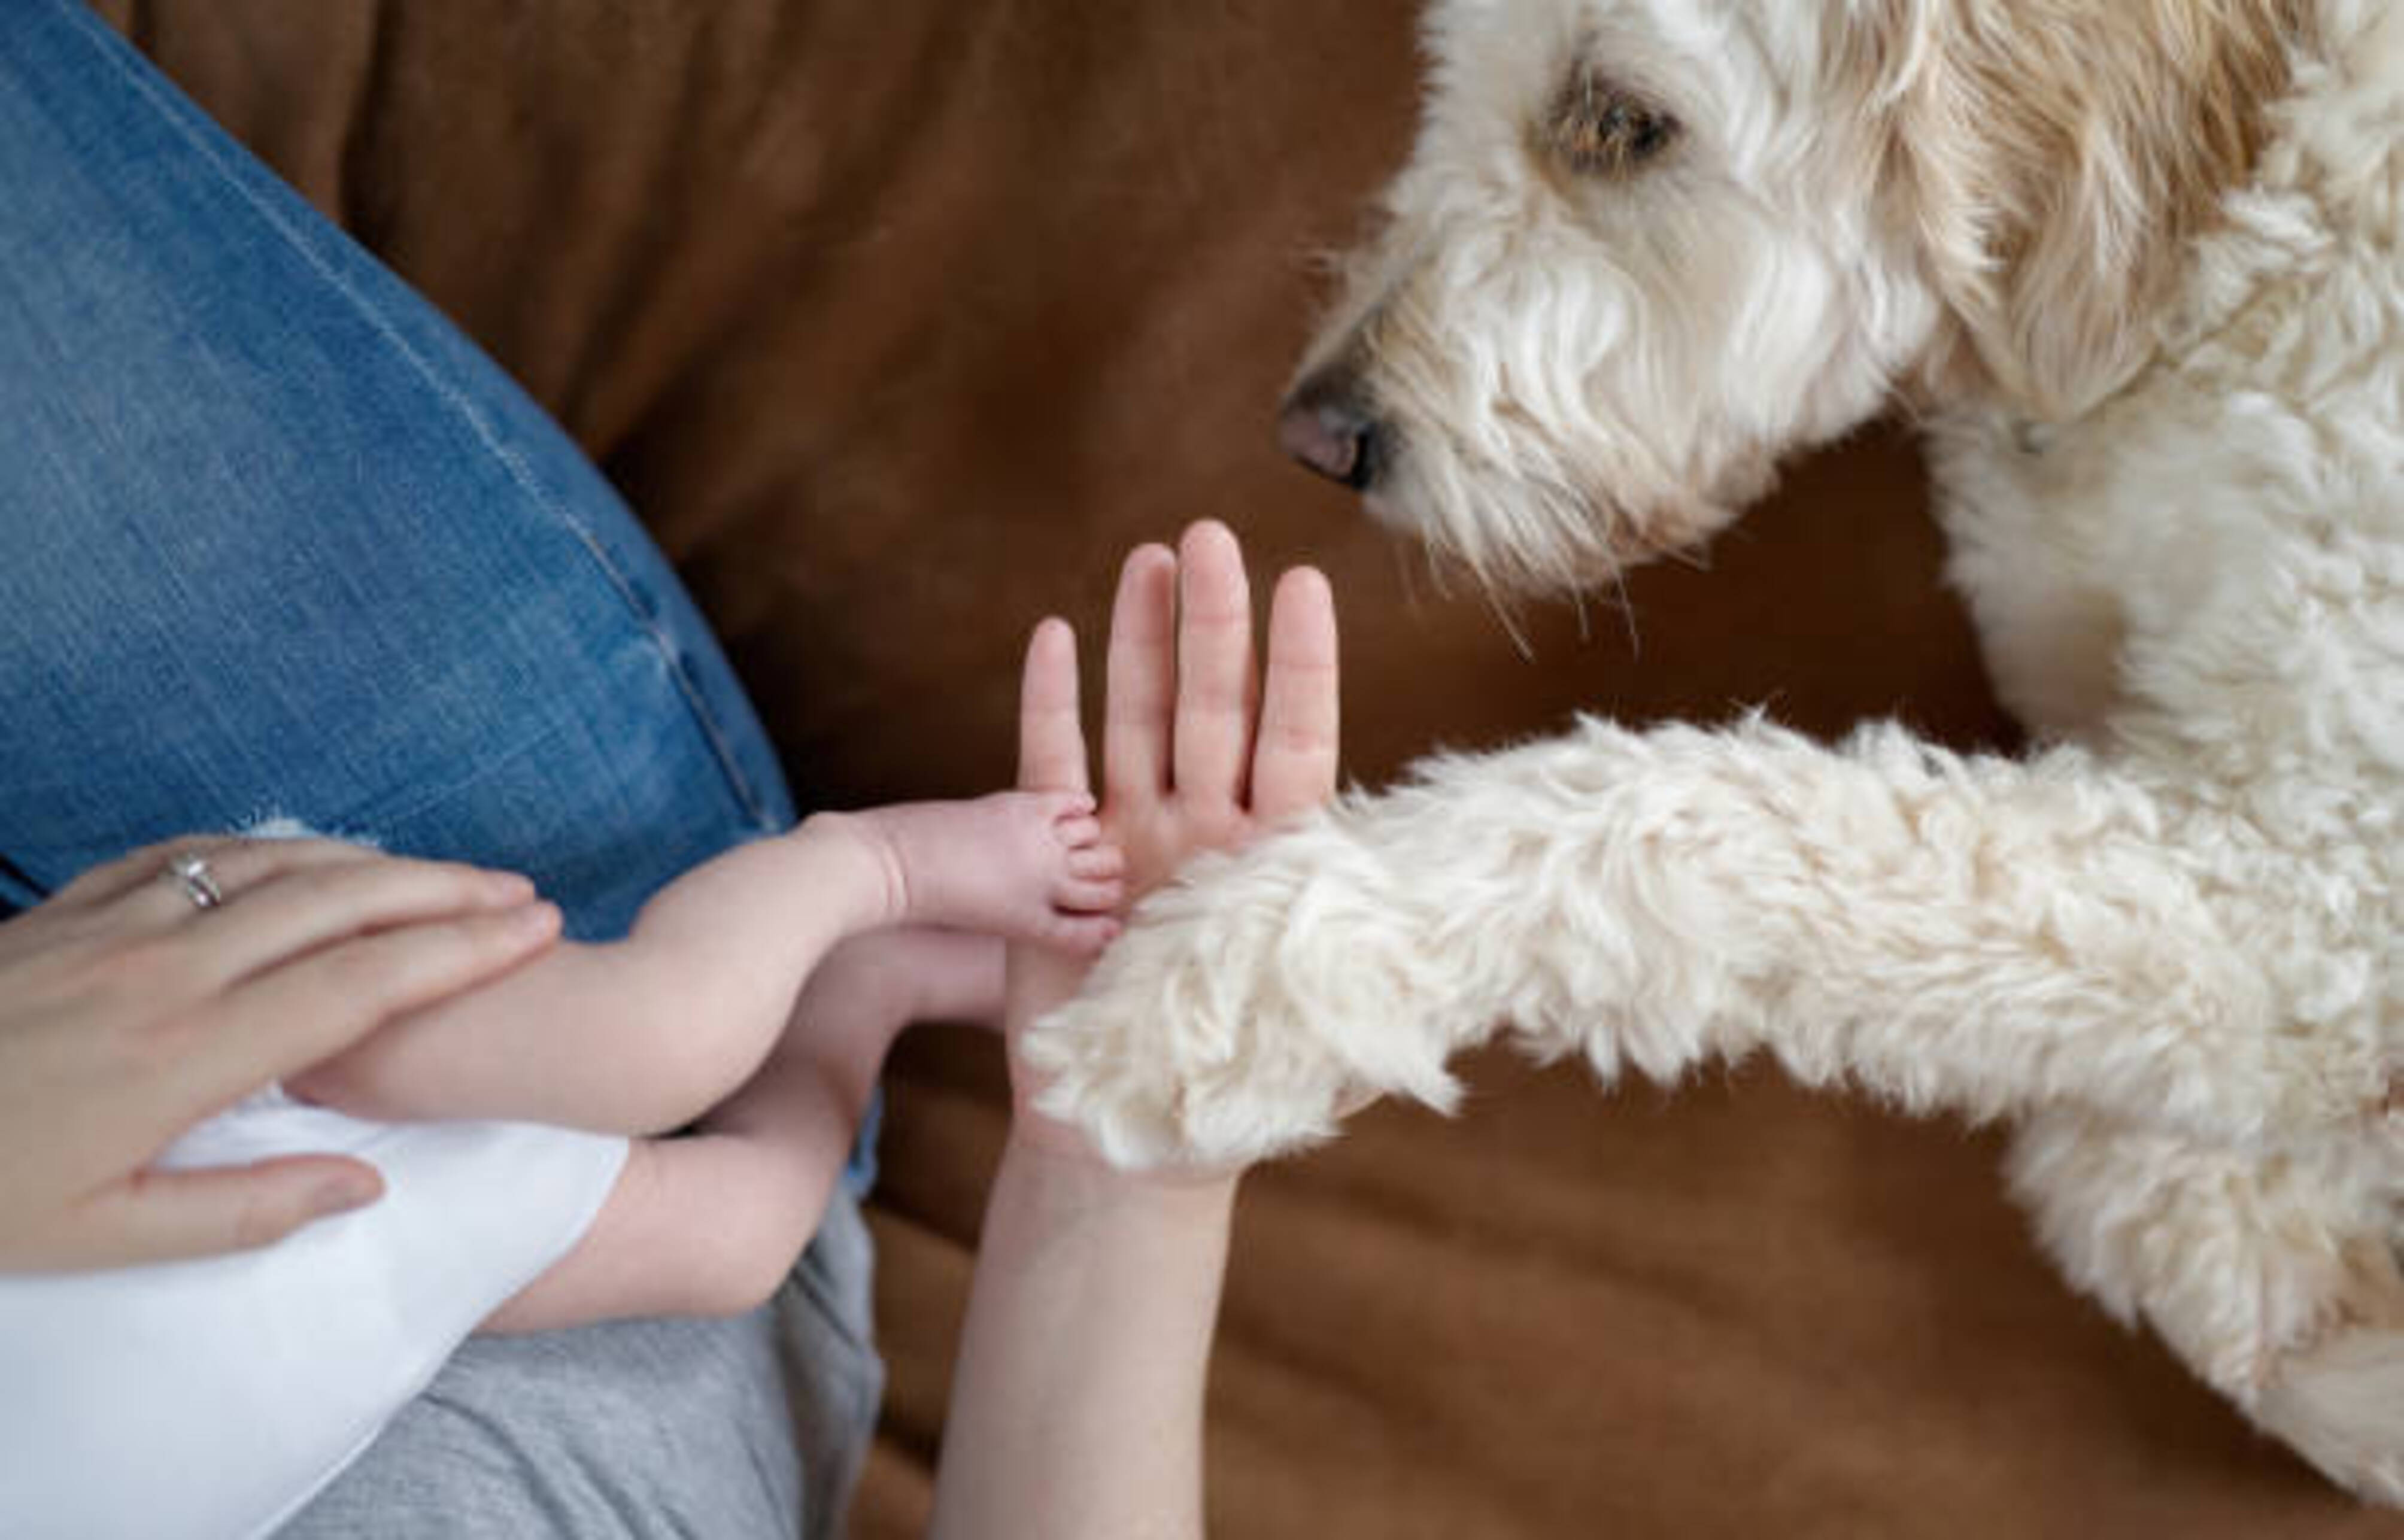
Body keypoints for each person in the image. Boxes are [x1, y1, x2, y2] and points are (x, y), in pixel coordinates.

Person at [0, 3, 1340, 1533]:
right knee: (682, 1088)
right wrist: (1128, 1155)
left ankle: (862, 940)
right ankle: (867, 919)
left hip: (200, 1120)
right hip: (420, 1133)